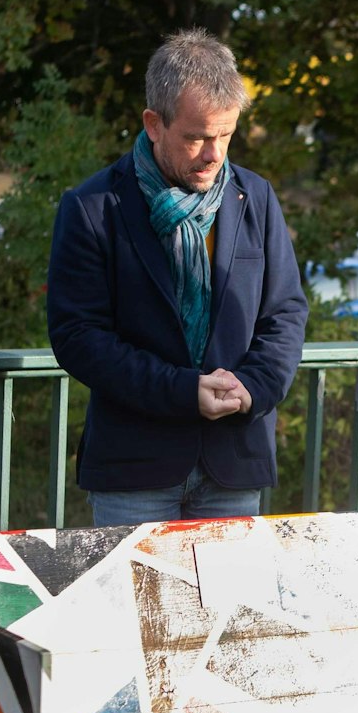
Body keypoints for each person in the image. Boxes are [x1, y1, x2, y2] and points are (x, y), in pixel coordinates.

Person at [47, 29, 308, 525]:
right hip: (134, 470)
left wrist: (253, 385)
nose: (214, 155)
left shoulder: (257, 196)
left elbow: (286, 314)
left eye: (226, 136)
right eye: (197, 138)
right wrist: (182, 391)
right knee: (133, 607)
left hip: (235, 462)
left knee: (229, 607)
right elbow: (78, 338)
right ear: (153, 123)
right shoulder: (91, 207)